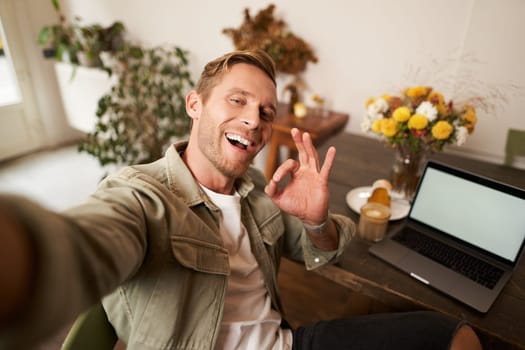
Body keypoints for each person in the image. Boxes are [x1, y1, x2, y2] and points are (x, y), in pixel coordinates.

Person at [0, 49, 482, 350]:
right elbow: (84, 246)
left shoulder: (257, 190)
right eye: (237, 101)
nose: (254, 120)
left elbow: (327, 246)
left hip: (286, 342)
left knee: (455, 336)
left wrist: (317, 221)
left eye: (264, 111)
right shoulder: (143, 196)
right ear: (195, 104)